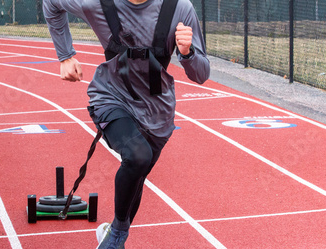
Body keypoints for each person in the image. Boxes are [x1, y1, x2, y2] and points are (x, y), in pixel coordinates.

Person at [43, 0, 210, 248]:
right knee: (138, 156)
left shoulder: (179, 8)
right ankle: (117, 239)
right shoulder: (96, 3)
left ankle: (112, 232)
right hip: (111, 97)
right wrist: (65, 55)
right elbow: (51, 3)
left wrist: (188, 53)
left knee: (138, 173)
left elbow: (201, 74)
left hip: (156, 111)